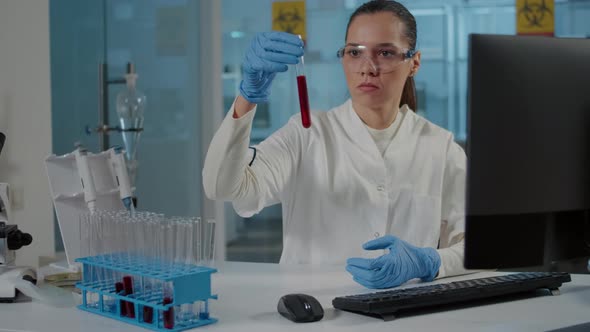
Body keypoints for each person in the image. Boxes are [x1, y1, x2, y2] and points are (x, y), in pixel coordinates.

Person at [203, 0, 472, 289]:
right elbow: (221, 186)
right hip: (311, 312)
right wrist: (248, 97)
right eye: (355, 52)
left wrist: (430, 262)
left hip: (403, 315)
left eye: (385, 52)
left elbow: (475, 248)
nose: (368, 68)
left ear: (414, 62)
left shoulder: (441, 148)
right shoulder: (305, 134)